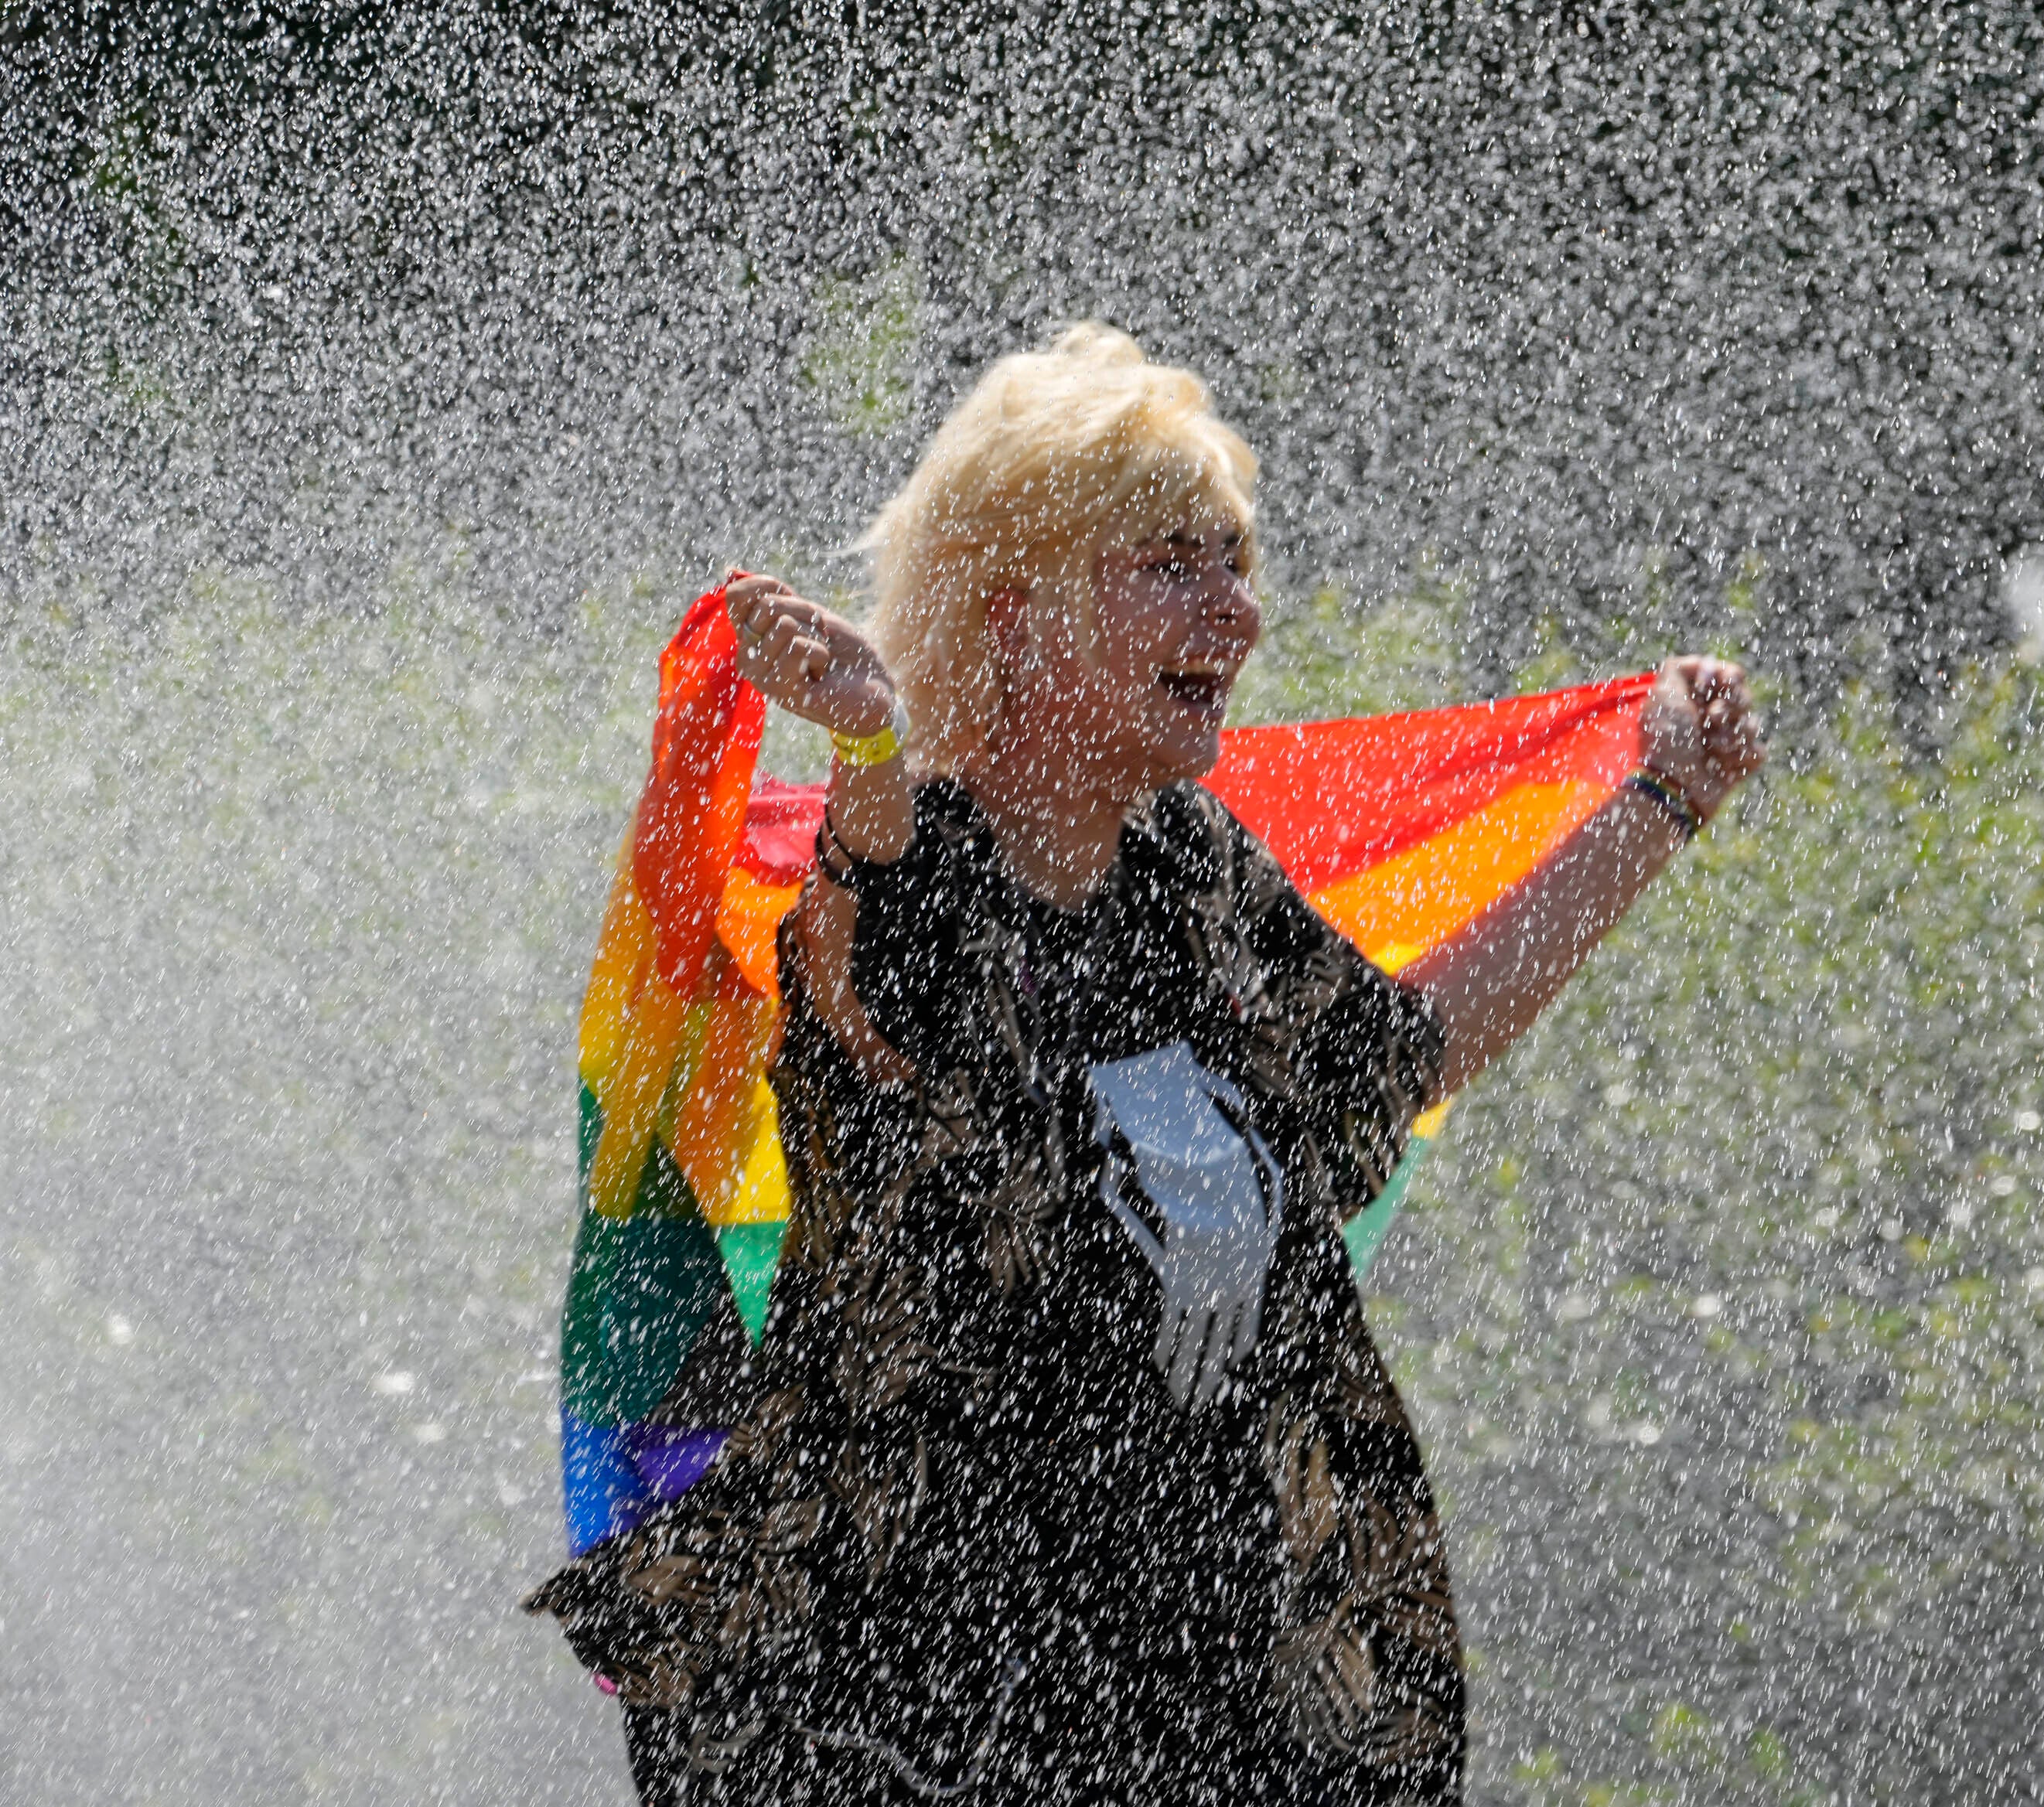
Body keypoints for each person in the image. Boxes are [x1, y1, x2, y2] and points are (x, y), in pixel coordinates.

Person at [526, 323, 1763, 1805]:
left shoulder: (1191, 875)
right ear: (1016, 610)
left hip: (1205, 1685)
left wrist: (1660, 807)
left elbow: (1400, 1052)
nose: (1236, 614)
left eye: (1235, 562)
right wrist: (862, 748)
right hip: (907, 1714)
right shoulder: (915, 885)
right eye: (1173, 564)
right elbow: (852, 999)